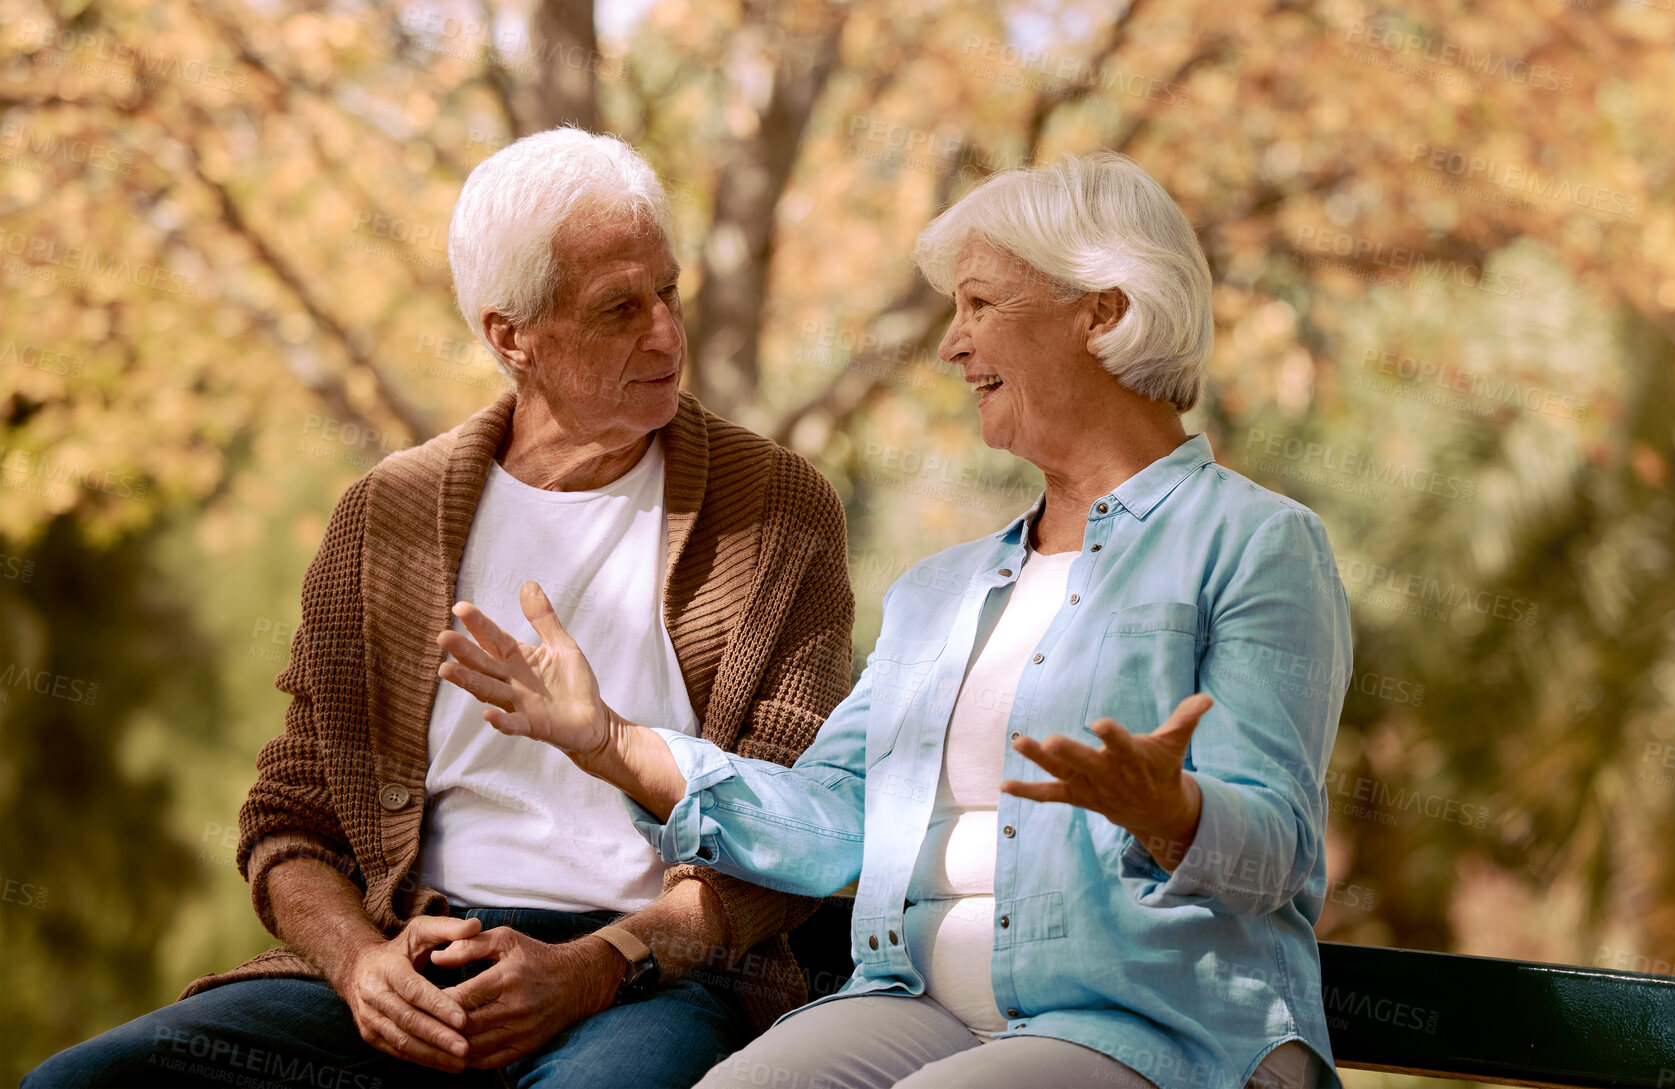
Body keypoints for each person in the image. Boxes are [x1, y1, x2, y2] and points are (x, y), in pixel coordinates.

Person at [437, 152, 1354, 1089]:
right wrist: (609, 740)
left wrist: (1172, 812)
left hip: (1154, 1023)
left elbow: (1275, 850)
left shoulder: (1254, 543)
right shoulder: (941, 592)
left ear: (1103, 310)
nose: (952, 345)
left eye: (981, 305)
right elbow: (836, 822)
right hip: (918, 1000)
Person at [25, 128, 855, 1089]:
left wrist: (597, 963)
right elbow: (289, 821)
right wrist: (359, 963)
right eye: (619, 309)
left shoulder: (777, 507)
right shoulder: (389, 514)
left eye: (667, 292)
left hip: (651, 976)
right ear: (511, 336)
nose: (666, 333)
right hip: (414, 950)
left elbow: (791, 829)